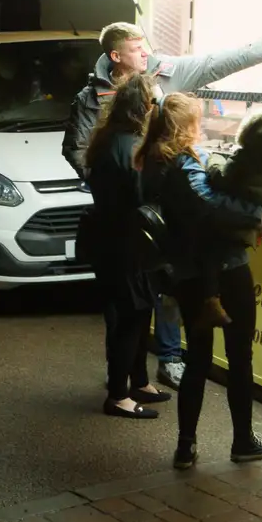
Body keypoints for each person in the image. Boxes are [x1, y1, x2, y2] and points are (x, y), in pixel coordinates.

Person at [63, 21, 262, 389]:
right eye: (138, 48)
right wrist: (117, 185)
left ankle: (154, 368)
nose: (146, 53)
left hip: (156, 215)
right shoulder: (93, 99)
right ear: (116, 56)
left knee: (156, 295)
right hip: (127, 219)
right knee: (129, 306)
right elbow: (78, 150)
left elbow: (211, 64)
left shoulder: (164, 72)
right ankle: (121, 383)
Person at [137, 94, 262, 470]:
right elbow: (209, 204)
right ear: (185, 127)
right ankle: (243, 441)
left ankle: (186, 446)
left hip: (186, 273)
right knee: (239, 357)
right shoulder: (184, 163)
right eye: (196, 121)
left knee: (197, 358)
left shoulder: (152, 160)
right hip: (223, 271)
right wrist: (256, 214)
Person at [81, 74, 171, 419]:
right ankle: (118, 396)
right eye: (155, 104)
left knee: (136, 311)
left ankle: (139, 382)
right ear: (144, 108)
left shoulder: (109, 138)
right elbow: (139, 196)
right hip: (126, 243)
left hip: (110, 238)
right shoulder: (130, 146)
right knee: (131, 317)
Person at [194, 111, 262, 328]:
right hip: (247, 236)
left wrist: (212, 157)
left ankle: (210, 299)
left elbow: (219, 177)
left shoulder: (245, 160)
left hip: (228, 232)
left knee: (208, 248)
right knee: (242, 340)